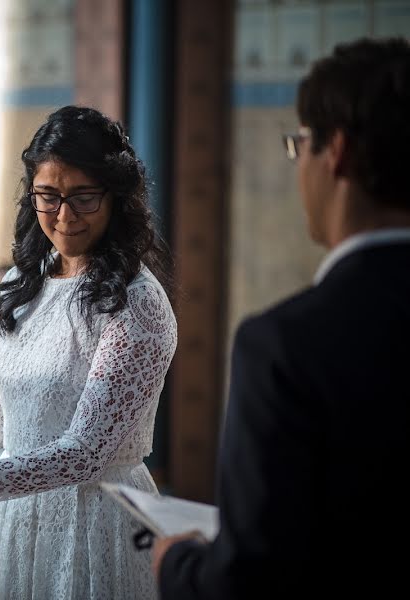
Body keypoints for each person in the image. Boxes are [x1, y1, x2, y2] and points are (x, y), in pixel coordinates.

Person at [151, 37, 410, 600]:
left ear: (335, 152)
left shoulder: (286, 346)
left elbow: (250, 579)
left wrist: (178, 565)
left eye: (301, 145)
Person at [0, 105, 178, 599]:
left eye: (82, 197)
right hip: (10, 519)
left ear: (116, 196)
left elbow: (82, 456)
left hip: (93, 524)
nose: (64, 216)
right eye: (48, 196)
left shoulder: (137, 301)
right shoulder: (22, 283)